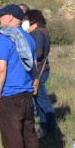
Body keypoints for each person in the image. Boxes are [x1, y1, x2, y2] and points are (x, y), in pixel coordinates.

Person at [0, 4, 40, 148]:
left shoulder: (5, 37)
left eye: (1, 16)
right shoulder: (28, 37)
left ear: (10, 18)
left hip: (10, 94)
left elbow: (1, 67)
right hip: (27, 94)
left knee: (12, 140)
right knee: (29, 135)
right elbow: (34, 65)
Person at [25, 10, 57, 140]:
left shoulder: (38, 33)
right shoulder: (41, 31)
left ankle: (52, 131)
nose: (24, 22)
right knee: (39, 102)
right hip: (41, 69)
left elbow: (38, 53)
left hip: (39, 70)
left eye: (27, 19)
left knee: (44, 103)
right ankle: (44, 129)